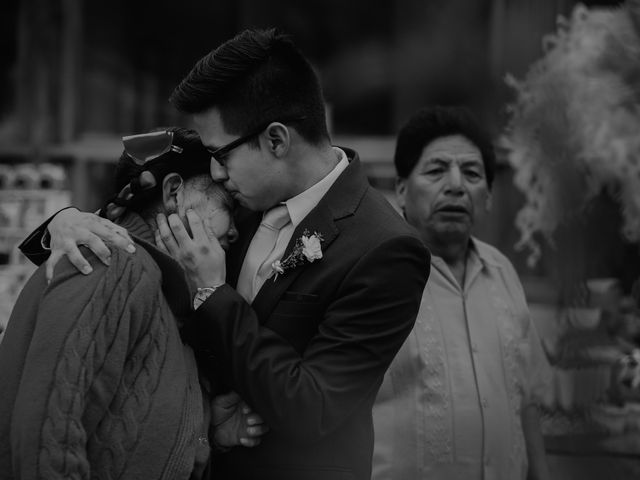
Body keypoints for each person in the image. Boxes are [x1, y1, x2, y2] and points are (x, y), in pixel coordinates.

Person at [17, 29, 431, 480]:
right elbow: (140, 219)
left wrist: (213, 291)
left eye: (220, 154)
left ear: (276, 140)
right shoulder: (233, 200)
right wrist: (63, 220)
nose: (214, 171)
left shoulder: (385, 247)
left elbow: (315, 407)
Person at [0, 128, 267, 480]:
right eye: (226, 204)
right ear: (174, 191)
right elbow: (51, 429)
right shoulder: (116, 260)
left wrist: (204, 430)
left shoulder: (158, 279)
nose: (234, 229)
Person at [371, 106, 552, 480]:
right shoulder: (371, 277)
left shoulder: (502, 272)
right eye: (437, 170)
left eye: (471, 173)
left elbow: (526, 400)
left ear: (487, 197)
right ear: (402, 191)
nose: (456, 185)